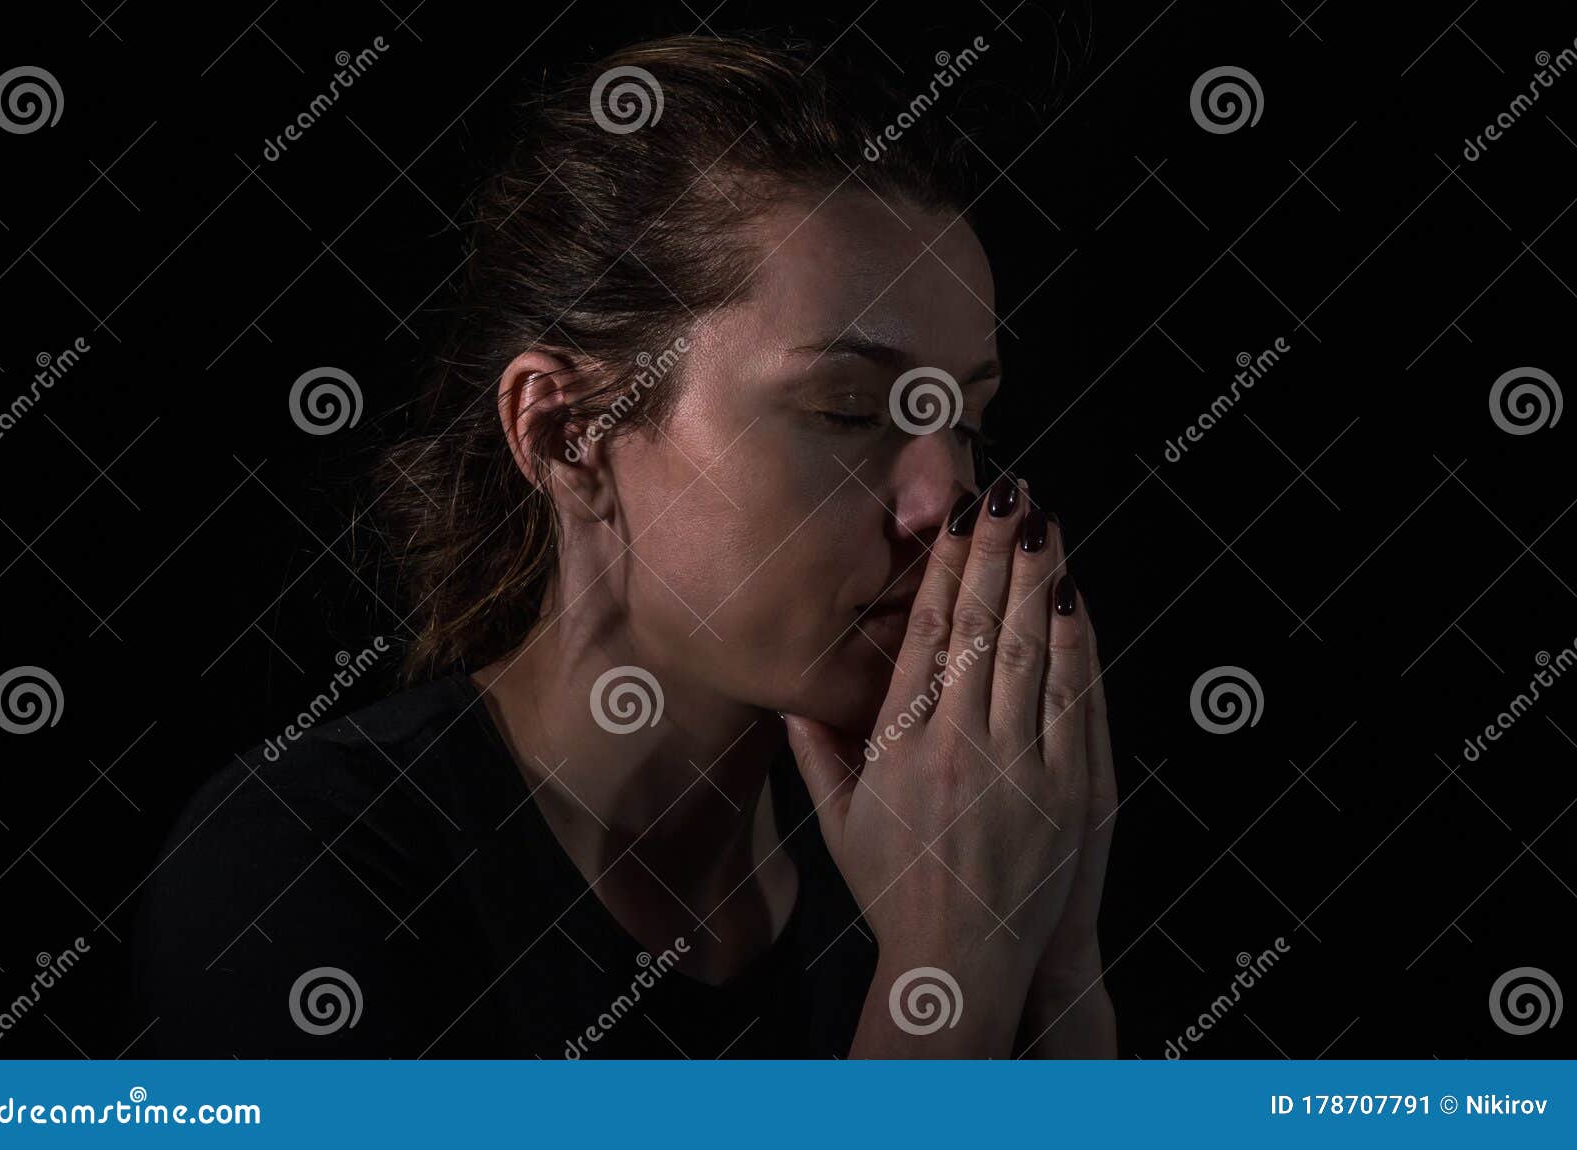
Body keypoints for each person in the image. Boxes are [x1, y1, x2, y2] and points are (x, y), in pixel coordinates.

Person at [132, 32, 1117, 1058]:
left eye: (963, 423)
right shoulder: (305, 862)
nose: (945, 500)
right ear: (568, 436)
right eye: (849, 409)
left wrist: (1057, 967)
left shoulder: (948, 835)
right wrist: (949, 965)